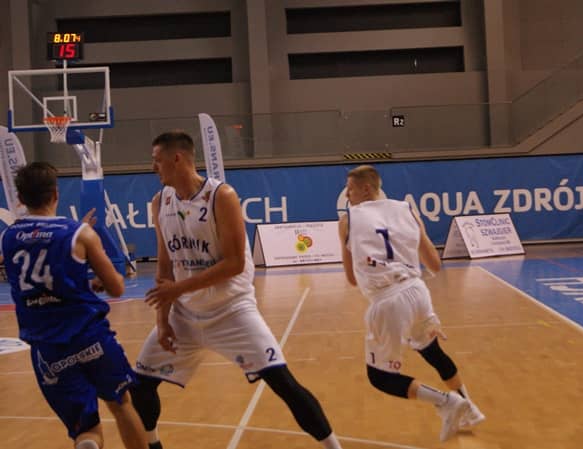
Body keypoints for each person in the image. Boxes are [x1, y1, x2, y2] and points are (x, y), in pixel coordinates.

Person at [130, 131, 342, 449]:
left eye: (157, 160)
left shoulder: (222, 196)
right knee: (141, 385)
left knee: (282, 382)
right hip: (185, 314)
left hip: (231, 310)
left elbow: (234, 264)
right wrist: (162, 321)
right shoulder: (160, 202)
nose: (153, 167)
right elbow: (164, 265)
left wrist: (178, 288)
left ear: (177, 158)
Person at [1, 162, 147, 449]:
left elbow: (42, 262)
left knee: (86, 428)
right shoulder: (79, 234)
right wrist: (96, 270)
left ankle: (87, 442)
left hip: (47, 347)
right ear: (56, 193)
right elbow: (117, 287)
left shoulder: (7, 237)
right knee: (121, 404)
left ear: (20, 199)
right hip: (90, 337)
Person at [337, 165, 484, 442]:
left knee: (380, 377)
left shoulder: (348, 221)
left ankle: (447, 401)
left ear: (366, 188)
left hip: (388, 299)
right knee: (432, 352)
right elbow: (435, 265)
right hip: (418, 291)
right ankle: (470, 408)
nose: (347, 194)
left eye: (351, 189)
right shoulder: (408, 210)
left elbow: (352, 279)